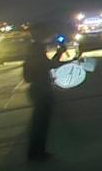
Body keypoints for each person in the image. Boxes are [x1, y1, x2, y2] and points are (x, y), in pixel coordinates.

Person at [24, 27, 73, 162]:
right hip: (41, 89)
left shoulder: (34, 48)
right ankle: (37, 153)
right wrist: (60, 53)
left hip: (37, 88)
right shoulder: (37, 48)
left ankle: (36, 152)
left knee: (39, 123)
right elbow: (49, 65)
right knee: (41, 123)